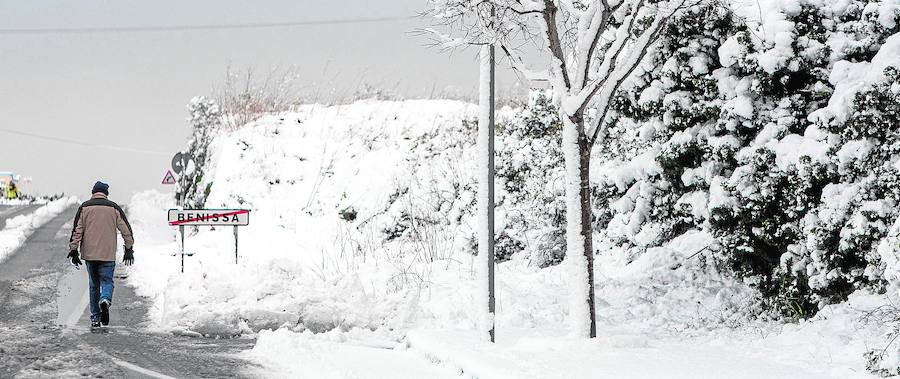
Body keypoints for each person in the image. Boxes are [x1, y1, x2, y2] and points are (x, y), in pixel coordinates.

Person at [67, 181, 135, 328]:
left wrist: (73, 250)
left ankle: (95, 318)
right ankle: (105, 300)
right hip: (107, 254)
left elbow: (77, 231)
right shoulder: (114, 208)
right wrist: (129, 248)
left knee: (93, 285)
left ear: (93, 192)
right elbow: (126, 230)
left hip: (90, 255)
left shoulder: (84, 207)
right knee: (106, 281)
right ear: (106, 194)